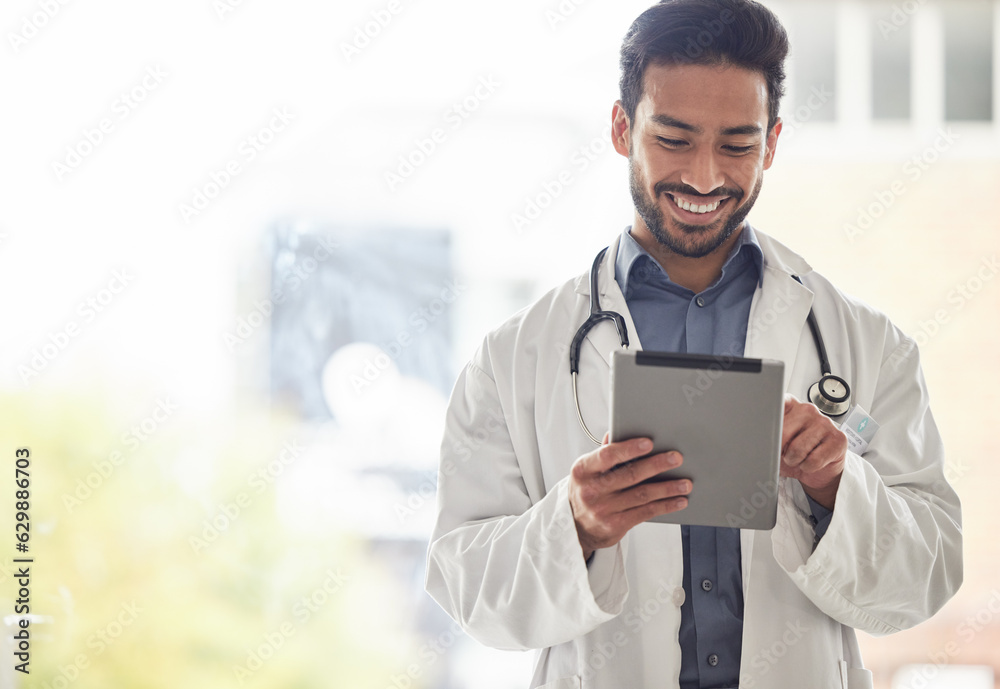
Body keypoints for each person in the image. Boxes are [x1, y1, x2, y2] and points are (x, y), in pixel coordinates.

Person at [424, 1, 963, 687]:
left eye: (737, 145)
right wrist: (575, 526)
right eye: (674, 139)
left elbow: (927, 576)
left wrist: (836, 486)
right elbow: (465, 587)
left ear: (770, 143)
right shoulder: (512, 358)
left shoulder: (867, 344)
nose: (705, 177)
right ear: (623, 128)